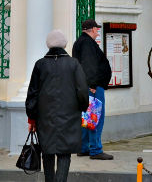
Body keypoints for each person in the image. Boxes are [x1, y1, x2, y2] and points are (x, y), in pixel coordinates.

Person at [26, 30, 89, 182]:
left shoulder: (40, 64)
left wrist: (31, 118)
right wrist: (82, 108)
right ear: (65, 44)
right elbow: (82, 90)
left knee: (47, 152)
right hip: (69, 115)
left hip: (45, 116)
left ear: (48, 44)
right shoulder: (73, 63)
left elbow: (32, 93)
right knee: (64, 153)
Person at [72, 19, 113, 160]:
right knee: (95, 117)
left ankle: (84, 148)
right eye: (97, 29)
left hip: (86, 86)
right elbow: (89, 65)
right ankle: (95, 149)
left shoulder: (80, 42)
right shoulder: (88, 43)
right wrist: (93, 84)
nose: (98, 31)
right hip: (93, 87)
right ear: (93, 29)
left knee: (87, 117)